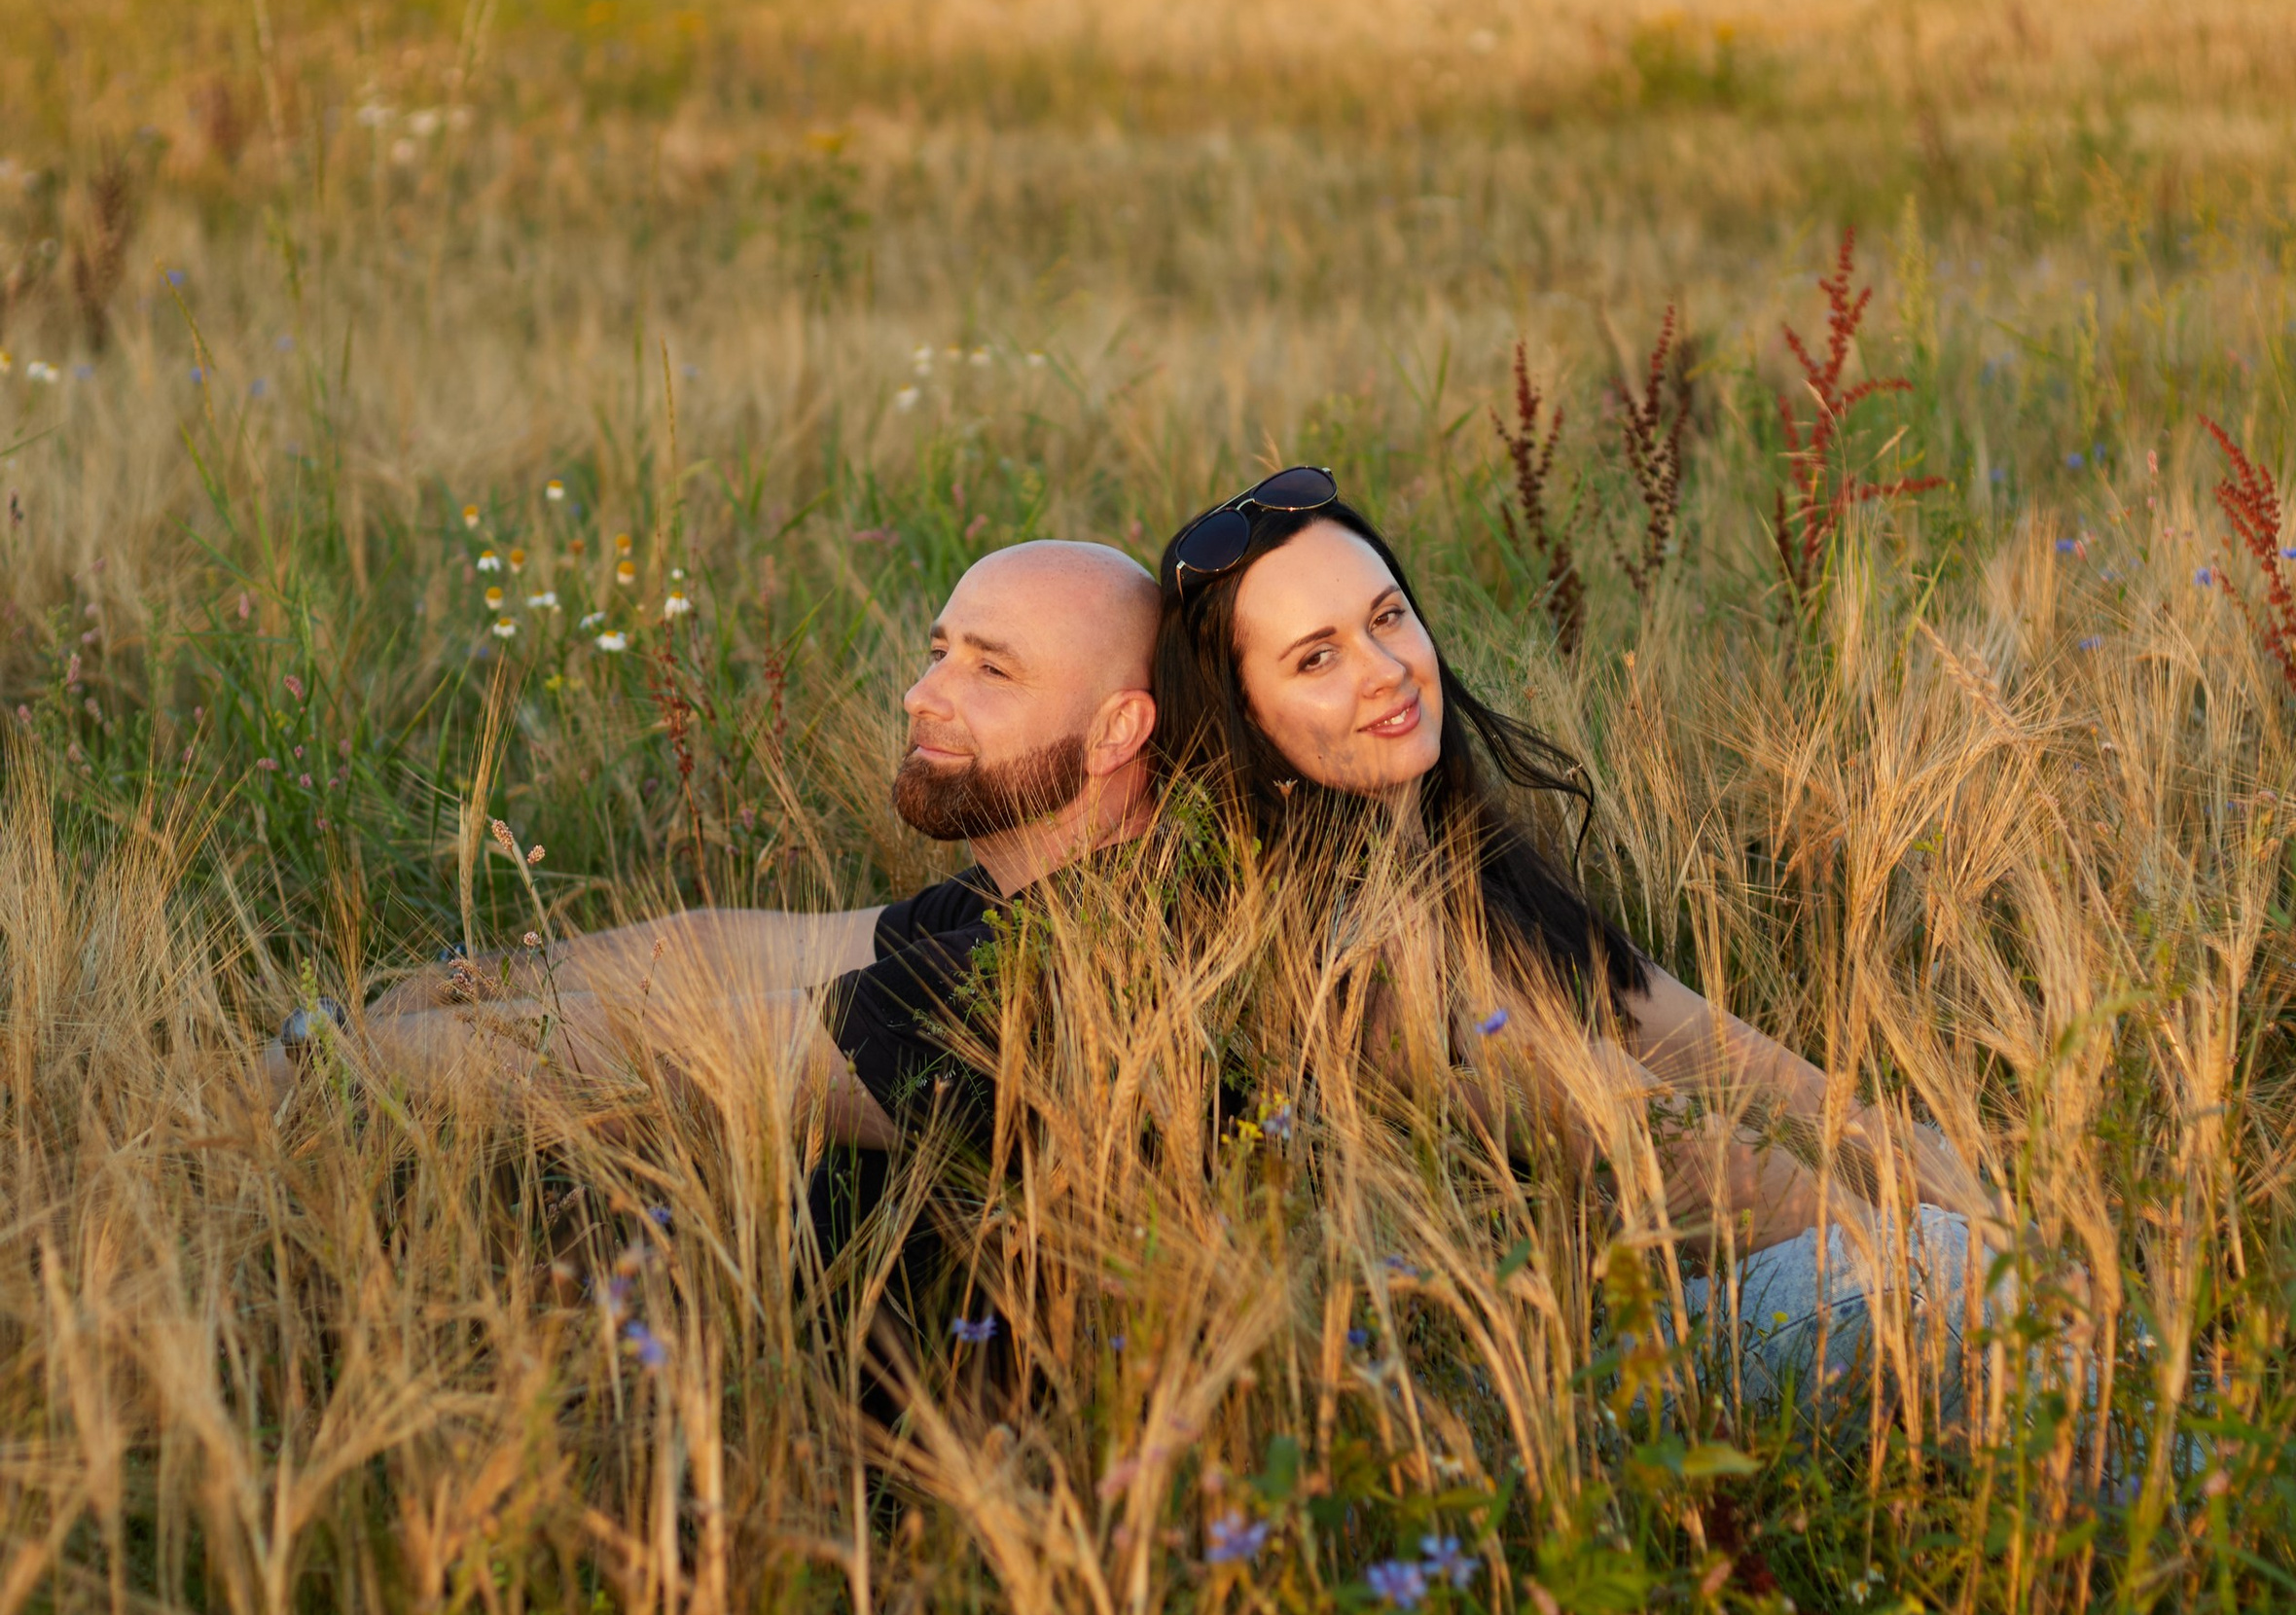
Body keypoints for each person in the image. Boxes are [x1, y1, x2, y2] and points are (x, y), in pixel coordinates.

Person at [1149, 466, 1988, 1400]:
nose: (1386, 670)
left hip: (1748, 1282)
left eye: (1386, 618)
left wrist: (1963, 1189)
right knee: (1977, 1293)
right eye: (1316, 657)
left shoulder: (1473, 870)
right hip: (1618, 1359)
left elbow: (1734, 1061)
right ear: (1243, 723)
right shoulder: (1351, 956)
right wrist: (1951, 1260)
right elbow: (1673, 1156)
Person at [276, 540, 1160, 1176]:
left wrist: (321, 1060)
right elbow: (715, 950)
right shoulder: (1034, 899)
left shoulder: (1066, 977)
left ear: (1117, 728)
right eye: (938, 652)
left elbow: (681, 1049)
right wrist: (450, 985)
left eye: (990, 672)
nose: (919, 695)